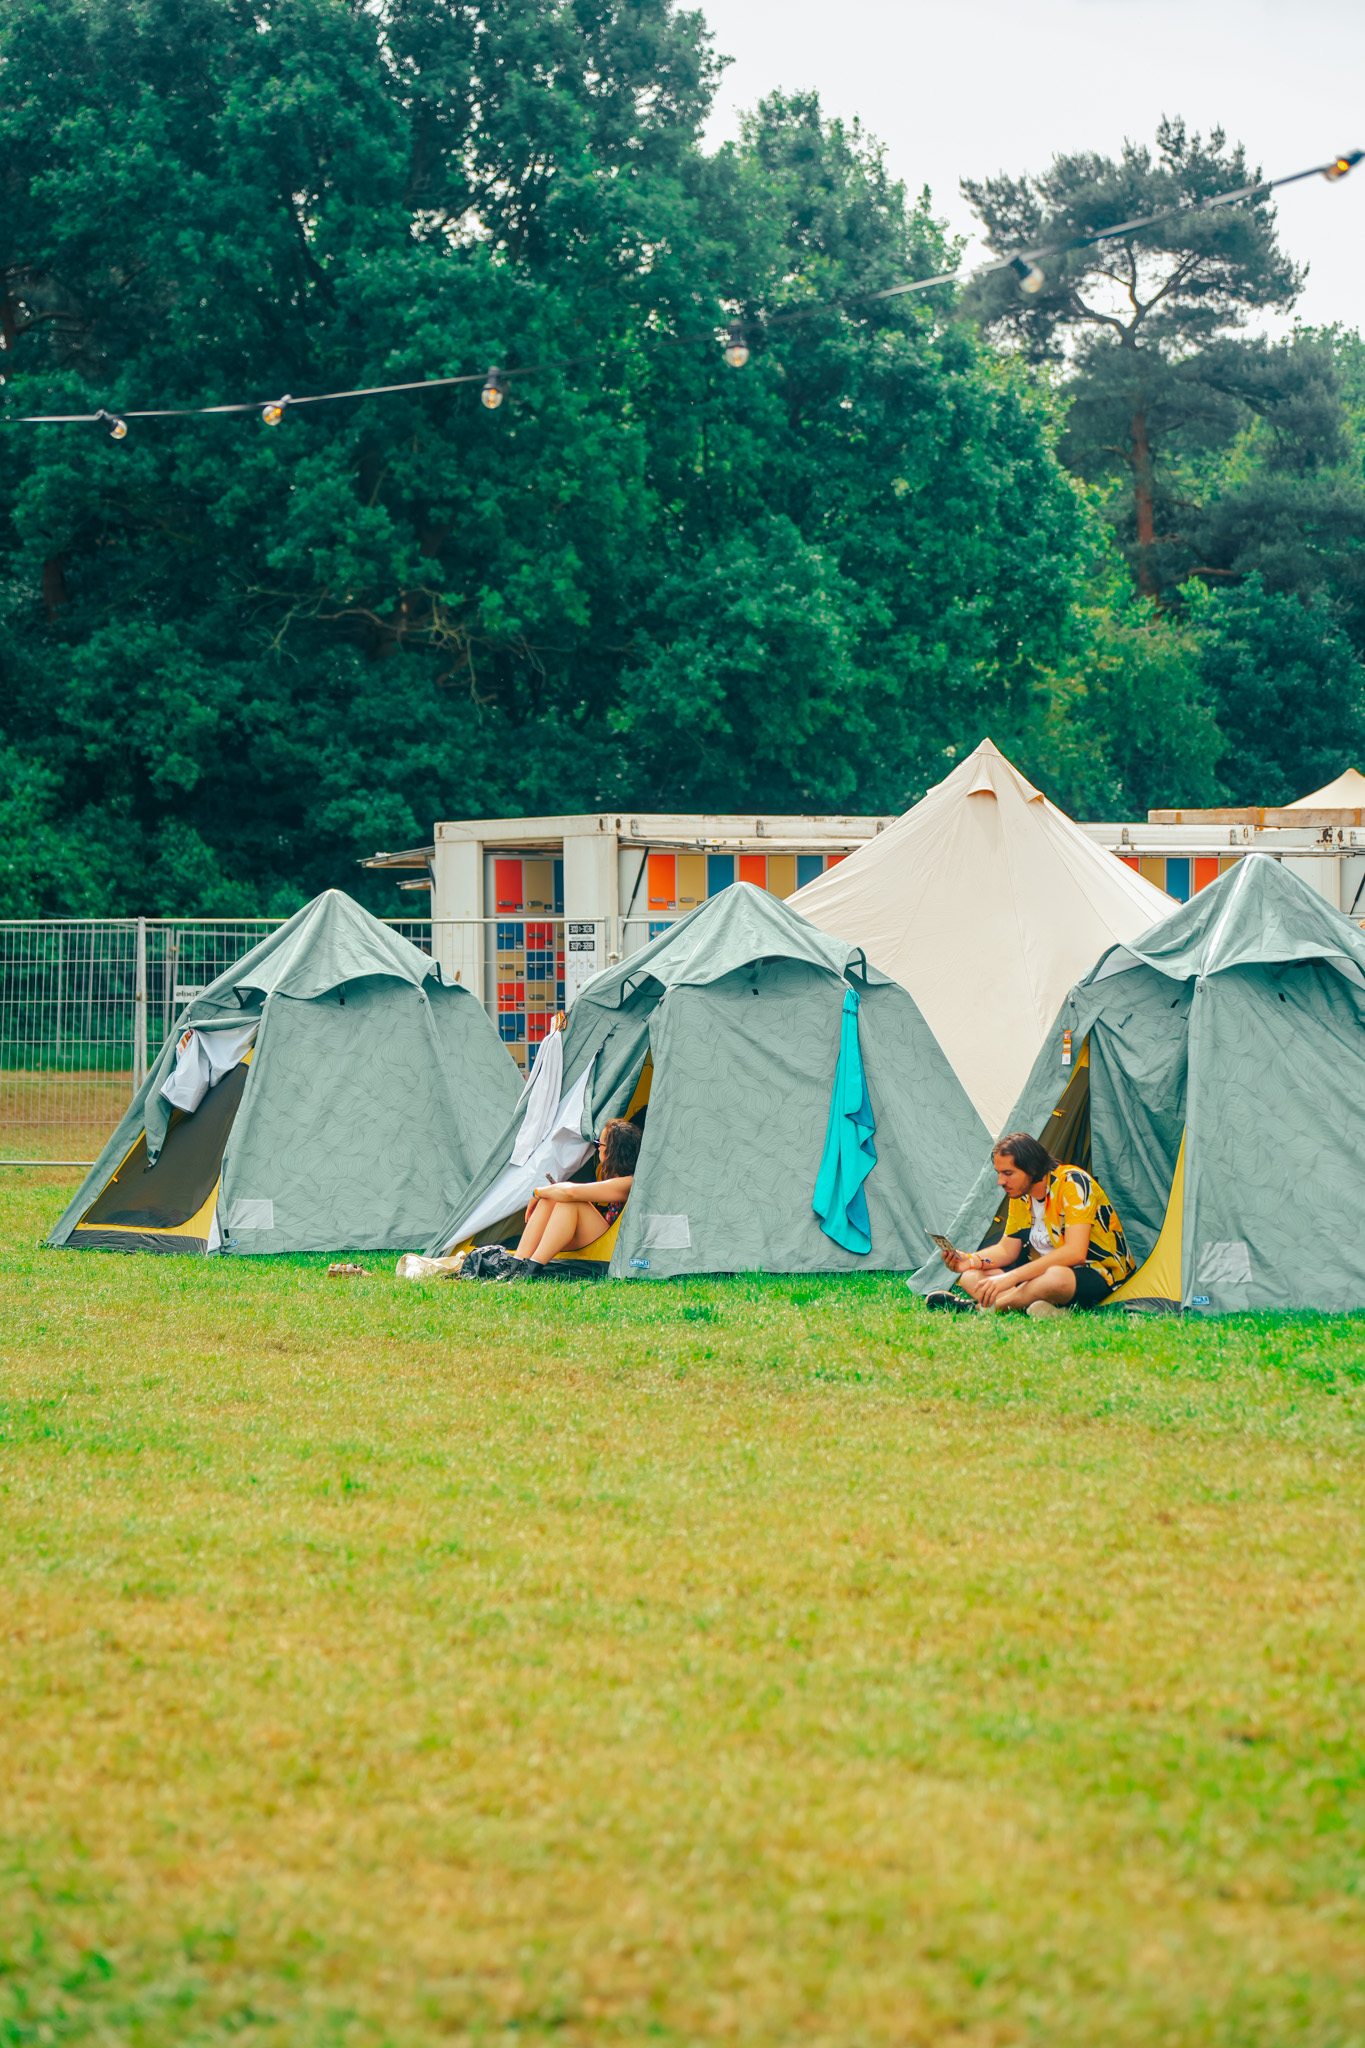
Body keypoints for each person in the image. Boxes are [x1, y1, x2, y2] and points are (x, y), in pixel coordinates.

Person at [927, 1131, 1135, 1317]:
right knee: (971, 1276)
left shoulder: (1072, 1182)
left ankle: (980, 1309)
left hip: (1095, 1274)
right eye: (999, 1173)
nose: (1001, 1182)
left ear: (1033, 1169)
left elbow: (1075, 1252)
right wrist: (971, 1260)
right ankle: (1038, 1308)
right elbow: (1006, 1250)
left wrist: (1011, 1277)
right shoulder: (1021, 1196)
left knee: (1055, 1276)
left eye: (1008, 1173)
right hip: (1038, 1277)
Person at [506, 1116, 641, 1272]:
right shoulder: (614, 1177)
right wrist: (548, 1194)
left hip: (612, 1247)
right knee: (550, 1199)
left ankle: (531, 1269)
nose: (597, 1148)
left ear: (613, 1150)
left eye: (600, 1144)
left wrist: (537, 1192)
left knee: (571, 1204)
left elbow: (572, 1192)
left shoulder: (629, 1183)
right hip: (600, 1239)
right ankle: (516, 1264)